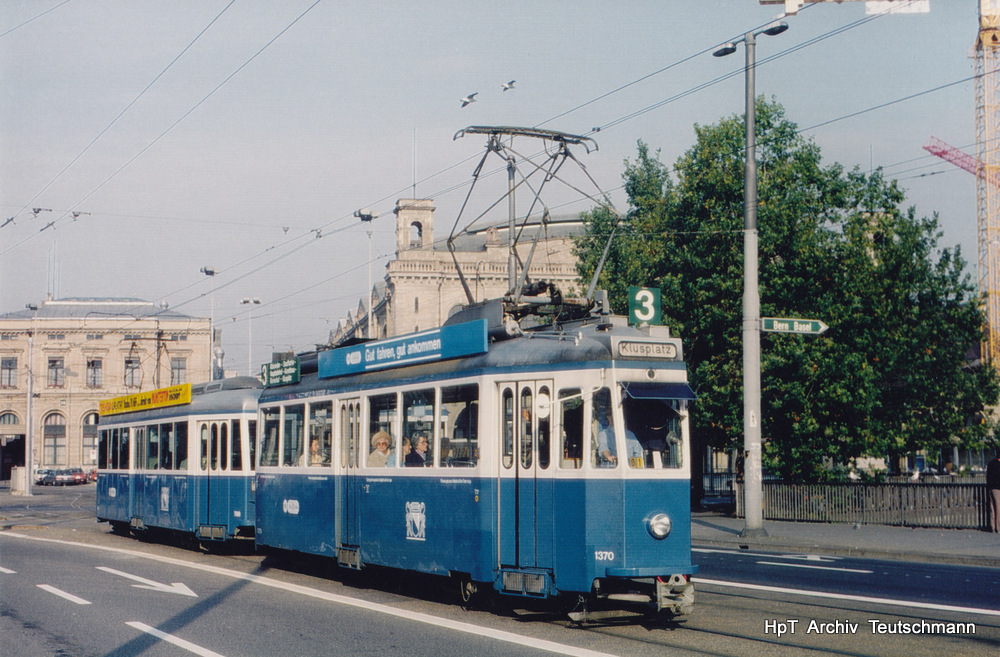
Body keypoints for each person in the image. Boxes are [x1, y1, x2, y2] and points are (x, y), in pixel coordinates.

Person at [988, 450, 1000, 533]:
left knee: (992, 508)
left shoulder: (990, 463)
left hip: (991, 488)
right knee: (999, 508)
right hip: (998, 488)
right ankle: (998, 527)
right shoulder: (998, 465)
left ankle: (992, 526)